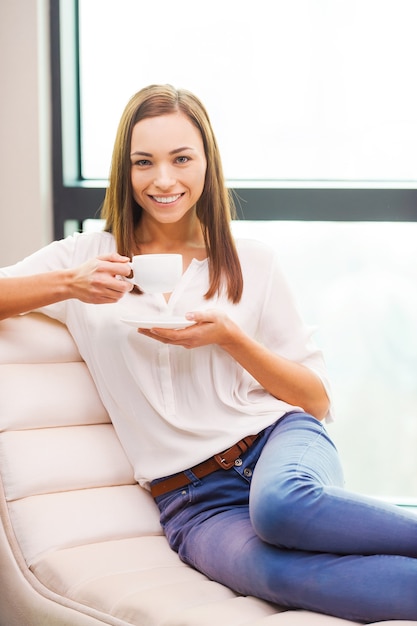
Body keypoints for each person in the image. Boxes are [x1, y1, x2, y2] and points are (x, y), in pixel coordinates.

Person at [1, 84, 416, 623]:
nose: (163, 180)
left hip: (277, 443)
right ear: (124, 171)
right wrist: (67, 283)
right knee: (278, 574)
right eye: (143, 162)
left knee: (282, 508)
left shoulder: (252, 262)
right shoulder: (88, 259)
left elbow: (313, 399)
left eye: (181, 159)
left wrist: (232, 338)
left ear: (206, 163)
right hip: (192, 502)